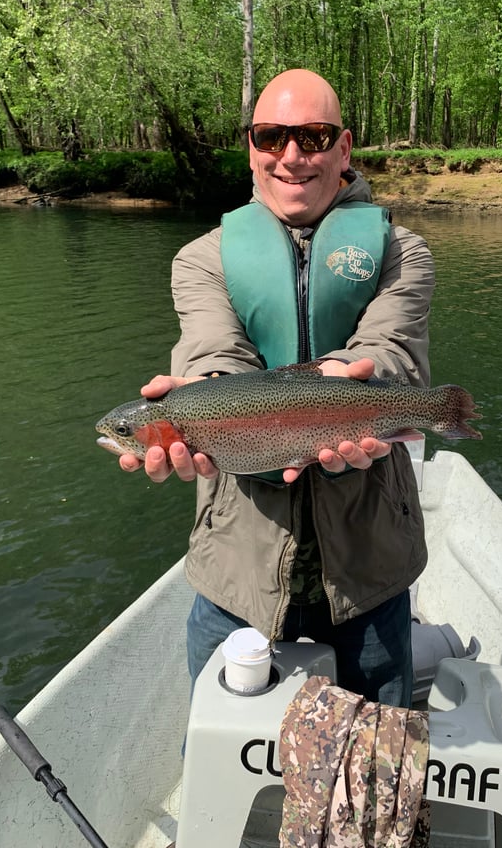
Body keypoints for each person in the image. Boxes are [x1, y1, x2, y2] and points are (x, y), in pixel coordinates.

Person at [118, 68, 435, 708]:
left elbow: (390, 349)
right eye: (271, 137)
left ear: (344, 148)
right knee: (221, 756)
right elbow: (214, 353)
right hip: (237, 574)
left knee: (377, 772)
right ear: (253, 148)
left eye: (313, 137)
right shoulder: (201, 259)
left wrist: (355, 386)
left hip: (370, 573)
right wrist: (203, 391)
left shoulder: (404, 252)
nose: (292, 156)